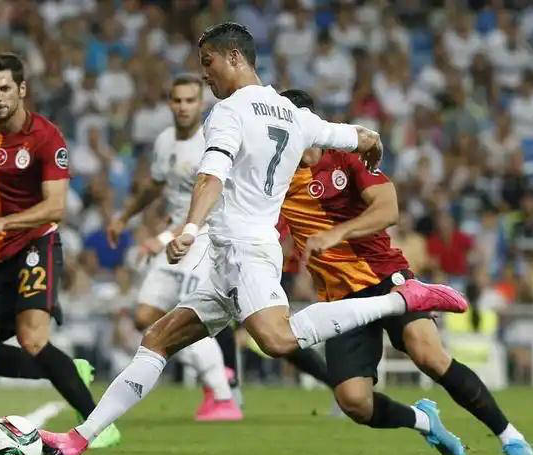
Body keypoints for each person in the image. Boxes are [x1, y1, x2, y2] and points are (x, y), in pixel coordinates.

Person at [39, 23, 467, 454]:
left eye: (208, 62)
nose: (205, 73)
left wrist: (190, 228)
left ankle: (401, 301)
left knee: (277, 340)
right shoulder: (293, 114)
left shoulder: (229, 111)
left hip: (246, 252)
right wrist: (372, 147)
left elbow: (211, 176)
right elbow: (360, 136)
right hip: (231, 259)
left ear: (235, 57)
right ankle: (80, 438)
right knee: (157, 339)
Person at [277, 88, 533, 455]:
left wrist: (337, 233)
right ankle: (425, 421)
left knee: (428, 354)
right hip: (340, 300)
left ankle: (511, 438)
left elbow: (388, 209)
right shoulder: (276, 178)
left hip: (385, 276)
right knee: (354, 402)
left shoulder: (346, 155)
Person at [0, 53, 120, 448]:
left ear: (22, 88)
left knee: (33, 339)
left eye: (5, 88)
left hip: (34, 245)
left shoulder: (46, 137)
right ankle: (65, 370)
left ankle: (97, 424)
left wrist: (3, 223)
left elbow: (55, 207)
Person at [106, 73, 242, 421]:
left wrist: (166, 238)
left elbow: (211, 202)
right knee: (145, 316)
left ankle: (222, 395)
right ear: (169, 102)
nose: (183, 107)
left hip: (202, 239)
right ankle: (214, 368)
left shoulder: (211, 141)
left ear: (201, 103)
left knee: (185, 317)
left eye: (190, 101)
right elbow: (155, 185)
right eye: (177, 100)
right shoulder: (165, 140)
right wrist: (124, 217)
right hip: (172, 236)